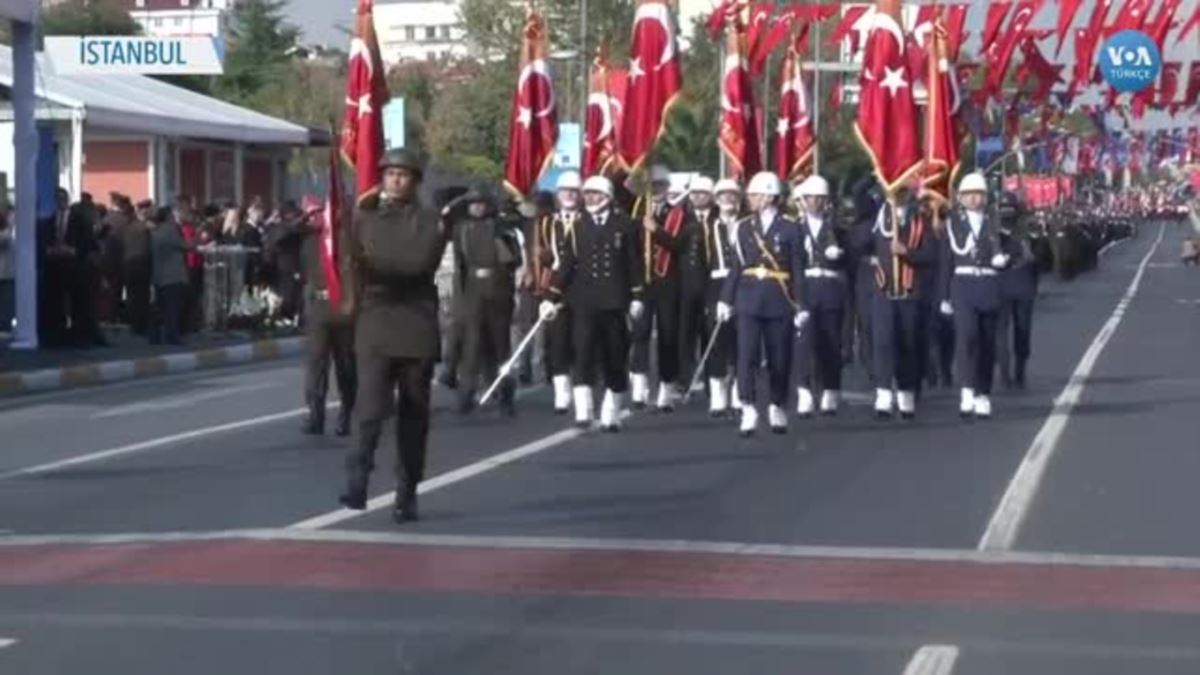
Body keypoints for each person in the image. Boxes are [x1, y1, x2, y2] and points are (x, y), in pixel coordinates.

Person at [340, 149, 448, 524]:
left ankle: (407, 490)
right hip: (375, 324)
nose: (395, 180)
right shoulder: (363, 219)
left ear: (415, 181)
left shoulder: (431, 222)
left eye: (403, 174)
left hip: (415, 325)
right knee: (368, 409)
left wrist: (369, 261)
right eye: (390, 174)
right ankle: (357, 478)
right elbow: (346, 259)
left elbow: (417, 264)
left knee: (413, 415)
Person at [541, 175, 644, 431]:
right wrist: (550, 296)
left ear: (608, 198)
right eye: (587, 194)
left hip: (614, 301)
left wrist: (638, 295)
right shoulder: (576, 226)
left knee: (615, 356)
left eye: (596, 194)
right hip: (583, 301)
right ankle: (583, 409)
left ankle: (612, 410)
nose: (590, 199)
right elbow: (565, 265)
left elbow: (634, 263)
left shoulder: (625, 225)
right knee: (583, 352)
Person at [717, 171, 807, 437]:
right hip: (748, 299)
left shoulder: (791, 227)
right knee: (746, 356)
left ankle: (778, 404)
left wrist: (802, 305)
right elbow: (737, 266)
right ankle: (748, 407)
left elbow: (798, 269)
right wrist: (725, 298)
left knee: (780, 357)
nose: (751, 199)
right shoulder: (744, 227)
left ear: (769, 197)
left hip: (779, 300)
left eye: (755, 195)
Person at [859, 181, 938, 419]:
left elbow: (931, 255)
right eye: (893, 188)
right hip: (884, 290)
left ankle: (906, 393)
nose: (898, 193)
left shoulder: (919, 219)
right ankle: (883, 392)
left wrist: (907, 253)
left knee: (907, 343)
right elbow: (858, 241)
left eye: (903, 189)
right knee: (882, 341)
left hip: (909, 291)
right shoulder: (878, 215)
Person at [939, 172, 1008, 419]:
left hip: (988, 284)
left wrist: (1004, 260)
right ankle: (967, 389)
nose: (975, 199)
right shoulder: (952, 224)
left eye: (979, 194)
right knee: (967, 337)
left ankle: (983, 393)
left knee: (987, 343)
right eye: (969, 195)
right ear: (961, 198)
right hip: (963, 285)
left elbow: (1014, 250)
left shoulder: (995, 223)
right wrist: (944, 297)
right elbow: (945, 262)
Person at [450, 186, 522, 417]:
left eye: (481, 203)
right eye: (473, 203)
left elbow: (513, 260)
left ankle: (505, 394)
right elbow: (459, 264)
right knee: (471, 345)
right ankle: (466, 392)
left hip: (497, 289)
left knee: (500, 345)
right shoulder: (461, 228)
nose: (478, 207)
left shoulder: (500, 227)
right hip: (472, 290)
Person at [792, 174, 849, 417]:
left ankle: (830, 389)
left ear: (827, 202)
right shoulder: (795, 228)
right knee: (804, 343)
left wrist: (841, 254)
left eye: (820, 198)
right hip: (805, 285)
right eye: (810, 198)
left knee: (830, 343)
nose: (815, 202)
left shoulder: (838, 228)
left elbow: (851, 261)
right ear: (803, 201)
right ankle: (804, 391)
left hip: (830, 287)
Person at [299, 196, 355, 437]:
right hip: (318, 309)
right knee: (316, 366)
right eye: (311, 215)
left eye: (320, 213)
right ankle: (316, 416)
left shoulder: (347, 241)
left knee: (346, 366)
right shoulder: (309, 241)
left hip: (342, 307)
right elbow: (276, 241)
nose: (316, 218)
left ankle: (347, 415)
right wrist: (301, 220)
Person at [629, 164, 683, 411]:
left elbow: (680, 245)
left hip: (668, 282)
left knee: (668, 335)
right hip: (642, 281)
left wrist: (657, 231)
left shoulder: (679, 214)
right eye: (653, 186)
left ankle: (666, 388)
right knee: (639, 334)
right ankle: (639, 387)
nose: (657, 189)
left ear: (668, 187)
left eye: (661, 185)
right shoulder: (637, 212)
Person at [532, 173, 583, 414]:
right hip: (555, 286)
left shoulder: (586, 220)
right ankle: (562, 391)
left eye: (574, 190)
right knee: (557, 340)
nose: (569, 195)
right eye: (565, 191)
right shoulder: (547, 222)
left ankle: (581, 385)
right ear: (558, 195)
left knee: (581, 340)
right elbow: (544, 254)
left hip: (582, 285)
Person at [675, 176, 719, 406]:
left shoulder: (719, 219)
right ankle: (685, 379)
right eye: (694, 194)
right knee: (685, 335)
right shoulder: (683, 218)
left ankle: (714, 382)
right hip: (686, 284)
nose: (698, 197)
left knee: (709, 333)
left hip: (710, 284)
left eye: (703, 193)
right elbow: (675, 246)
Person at [703, 179, 743, 417]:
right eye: (723, 196)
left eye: (732, 195)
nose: (728, 199)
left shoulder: (747, 225)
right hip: (715, 286)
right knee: (716, 340)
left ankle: (739, 391)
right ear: (716, 200)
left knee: (742, 340)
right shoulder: (707, 227)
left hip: (742, 286)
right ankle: (718, 394)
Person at [996, 194, 1038, 390]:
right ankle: (1011, 373)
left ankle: (1013, 373)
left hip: (1011, 285)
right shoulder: (1024, 232)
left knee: (1009, 332)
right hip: (1016, 285)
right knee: (1016, 331)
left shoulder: (996, 233)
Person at [149, 206, 192, 345]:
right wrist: (199, 240)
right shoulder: (170, 230)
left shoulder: (156, 230)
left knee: (159, 308)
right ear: (168, 216)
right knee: (171, 308)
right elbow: (184, 246)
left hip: (159, 275)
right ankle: (171, 336)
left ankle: (155, 336)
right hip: (172, 276)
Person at [120, 199, 154, 336]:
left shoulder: (128, 226)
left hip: (128, 265)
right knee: (142, 296)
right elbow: (150, 248)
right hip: (142, 265)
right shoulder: (147, 227)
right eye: (148, 210)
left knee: (132, 296)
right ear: (143, 211)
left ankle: (135, 325)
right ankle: (141, 325)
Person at [0, 201, 13, 333]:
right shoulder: (6, 233)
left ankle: (5, 325)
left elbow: (6, 241)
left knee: (7, 303)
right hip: (4, 273)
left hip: (7, 273)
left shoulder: (9, 233)